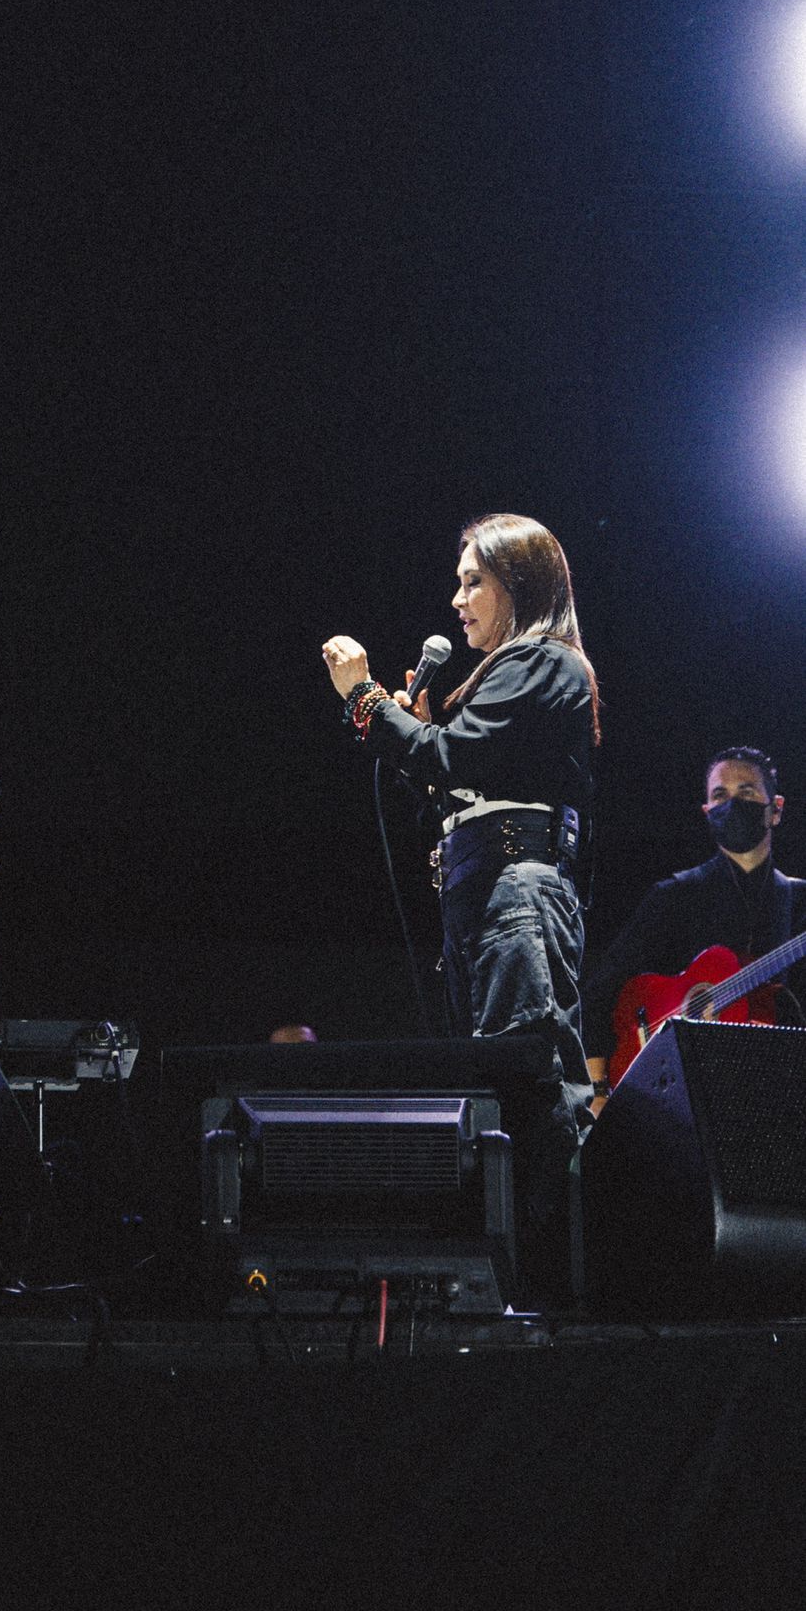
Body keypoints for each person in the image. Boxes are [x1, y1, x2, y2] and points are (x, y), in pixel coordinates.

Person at [321, 512, 598, 1243]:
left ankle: (557, 1274)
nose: (458, 597)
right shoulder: (498, 676)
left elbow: (452, 759)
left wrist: (366, 700)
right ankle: (503, 1265)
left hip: (517, 890)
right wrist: (405, 729)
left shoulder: (544, 661)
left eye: (474, 580)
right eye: (458, 581)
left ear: (520, 584)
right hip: (480, 896)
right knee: (483, 1087)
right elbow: (447, 781)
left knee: (526, 1080)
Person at [583, 746, 806, 1088]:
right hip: (687, 1093)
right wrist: (597, 1089)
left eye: (746, 791)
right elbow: (600, 995)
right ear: (707, 811)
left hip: (781, 1086)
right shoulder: (674, 896)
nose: (733, 803)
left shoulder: (798, 901)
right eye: (720, 795)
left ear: (775, 810)